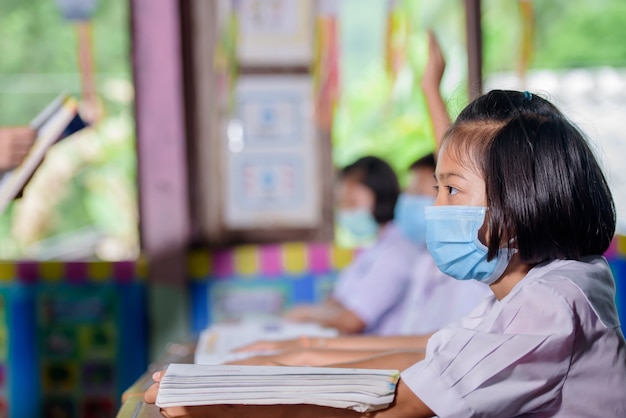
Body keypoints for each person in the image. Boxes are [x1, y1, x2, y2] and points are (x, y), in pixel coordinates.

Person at [146, 89, 626, 417]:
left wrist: (216, 403)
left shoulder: (550, 304)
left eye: (450, 191)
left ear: (522, 202)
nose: (434, 209)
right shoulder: (538, 288)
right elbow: (428, 353)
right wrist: (285, 363)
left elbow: (399, 406)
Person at [284, 156, 421, 335]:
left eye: (352, 203)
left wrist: (307, 313)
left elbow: (354, 321)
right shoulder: (375, 249)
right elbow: (338, 301)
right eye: (341, 204)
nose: (345, 212)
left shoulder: (396, 253)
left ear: (380, 199)